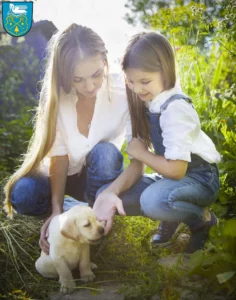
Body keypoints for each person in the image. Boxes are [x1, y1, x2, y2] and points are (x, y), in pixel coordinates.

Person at [4, 23, 129, 254]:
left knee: (106, 153)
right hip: (61, 176)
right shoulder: (59, 98)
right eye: (77, 79)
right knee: (23, 194)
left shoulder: (122, 90)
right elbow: (59, 158)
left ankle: (97, 211)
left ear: (104, 60)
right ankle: (79, 213)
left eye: (96, 74)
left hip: (99, 177)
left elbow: (137, 147)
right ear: (64, 75)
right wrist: (56, 211)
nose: (89, 86)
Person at [93, 31, 221, 254]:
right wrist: (108, 194)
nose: (137, 89)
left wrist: (143, 154)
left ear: (166, 70)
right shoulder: (143, 101)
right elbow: (137, 161)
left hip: (200, 178)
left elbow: (177, 170)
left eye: (145, 81)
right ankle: (171, 214)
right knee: (106, 192)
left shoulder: (175, 108)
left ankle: (202, 220)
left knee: (153, 201)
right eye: (131, 81)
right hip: (168, 178)